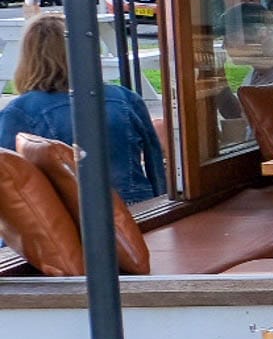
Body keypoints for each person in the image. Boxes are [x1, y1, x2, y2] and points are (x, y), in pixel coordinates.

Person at [0, 14, 166, 204]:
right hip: (139, 209)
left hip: (70, 217)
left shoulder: (19, 112)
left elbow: (9, 182)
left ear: (29, 58)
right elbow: (156, 166)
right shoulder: (125, 98)